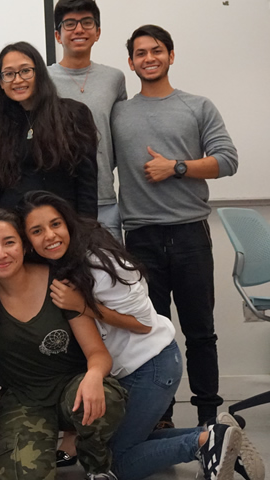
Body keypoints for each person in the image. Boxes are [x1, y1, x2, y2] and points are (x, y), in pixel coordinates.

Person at [18, 191, 264, 480]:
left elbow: (142, 325)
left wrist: (84, 306)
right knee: (114, 447)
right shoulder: (55, 265)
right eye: (37, 231)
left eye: (55, 224)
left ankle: (202, 444)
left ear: (68, 223)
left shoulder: (101, 262)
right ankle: (215, 436)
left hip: (152, 366)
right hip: (129, 369)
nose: (49, 235)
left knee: (115, 463)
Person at [112, 25, 239, 427]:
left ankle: (207, 418)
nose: (149, 58)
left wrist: (177, 167)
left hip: (189, 234)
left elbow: (228, 160)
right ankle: (158, 416)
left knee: (200, 332)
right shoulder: (118, 114)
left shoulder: (197, 106)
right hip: (140, 238)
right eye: (140, 53)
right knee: (150, 334)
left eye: (157, 51)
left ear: (170, 55)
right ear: (130, 62)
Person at [0, 208, 126, 480]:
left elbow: (97, 353)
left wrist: (93, 376)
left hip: (73, 392)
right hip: (24, 400)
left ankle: (97, 462)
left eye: (9, 242)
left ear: (23, 245)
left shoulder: (58, 282)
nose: (0, 254)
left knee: (107, 399)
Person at [0, 41, 98, 217]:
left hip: (61, 227)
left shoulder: (74, 114)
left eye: (25, 71)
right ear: (0, 82)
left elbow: (87, 183)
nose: (17, 80)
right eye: (8, 74)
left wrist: (87, 231)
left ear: (40, 73)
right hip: (13, 228)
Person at [48, 0, 127, 241]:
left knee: (112, 275)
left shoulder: (114, 78)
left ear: (98, 32)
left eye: (87, 22)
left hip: (103, 198)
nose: (79, 29)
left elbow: (119, 135)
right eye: (70, 24)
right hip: (55, 201)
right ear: (58, 35)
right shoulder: (43, 79)